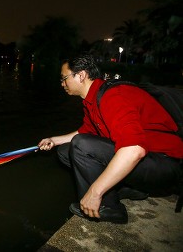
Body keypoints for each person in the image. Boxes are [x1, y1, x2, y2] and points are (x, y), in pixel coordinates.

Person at [38, 54, 183, 224]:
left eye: (64, 78)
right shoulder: (93, 99)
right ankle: (130, 189)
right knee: (65, 150)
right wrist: (54, 140)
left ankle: (108, 208)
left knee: (81, 146)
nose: (62, 83)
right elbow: (84, 132)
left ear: (81, 75)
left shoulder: (113, 96)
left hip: (167, 166)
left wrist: (95, 192)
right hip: (149, 162)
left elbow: (134, 149)